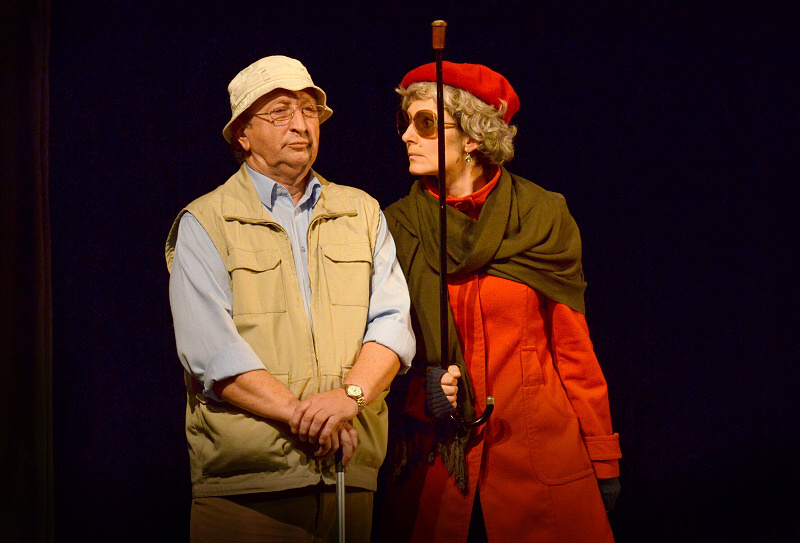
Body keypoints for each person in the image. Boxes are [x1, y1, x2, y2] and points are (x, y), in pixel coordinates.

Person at [164, 55, 415, 543]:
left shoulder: (362, 212)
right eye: (280, 112)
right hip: (247, 493)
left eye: (309, 110)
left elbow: (392, 325)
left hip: (347, 481)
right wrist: (310, 419)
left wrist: (349, 397)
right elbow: (211, 352)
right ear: (243, 134)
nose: (301, 125)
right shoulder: (206, 222)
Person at [375, 61, 622, 542]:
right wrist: (420, 388)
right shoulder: (395, 226)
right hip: (437, 464)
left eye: (425, 122)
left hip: (539, 459)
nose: (407, 135)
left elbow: (573, 351)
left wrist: (602, 453)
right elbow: (380, 343)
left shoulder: (541, 216)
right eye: (405, 121)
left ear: (473, 135)